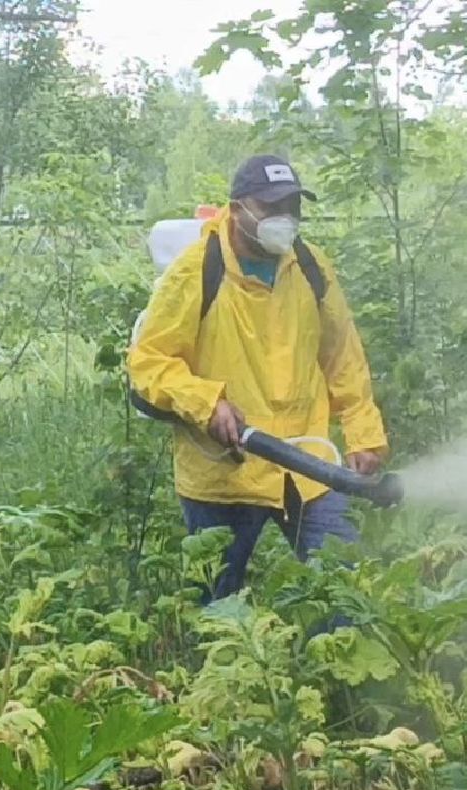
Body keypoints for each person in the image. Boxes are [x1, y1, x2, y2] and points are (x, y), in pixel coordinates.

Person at [128, 154, 389, 600]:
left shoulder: (310, 267)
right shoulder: (196, 272)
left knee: (348, 592)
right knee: (218, 610)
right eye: (271, 207)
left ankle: (335, 667)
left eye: (292, 207)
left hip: (307, 465)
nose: (284, 219)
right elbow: (149, 361)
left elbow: (343, 357)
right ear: (239, 207)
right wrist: (208, 404)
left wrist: (363, 435)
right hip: (226, 473)